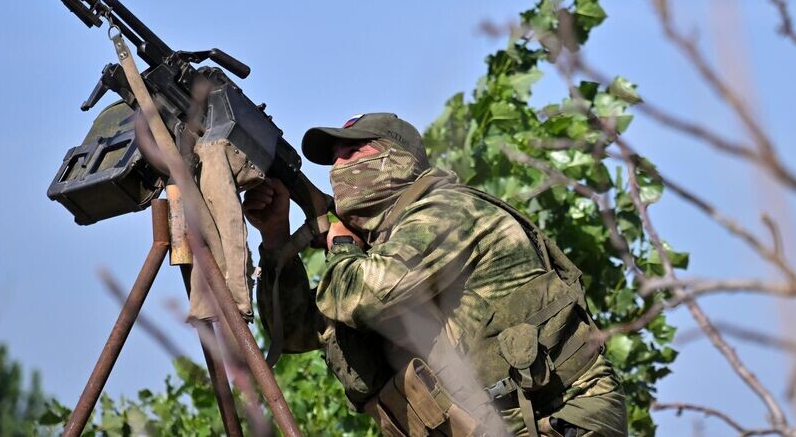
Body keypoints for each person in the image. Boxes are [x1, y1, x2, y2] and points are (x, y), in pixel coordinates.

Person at [243, 112, 628, 437]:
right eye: (334, 159)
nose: (339, 166)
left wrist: (341, 246)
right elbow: (294, 333)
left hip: (561, 419)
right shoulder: (384, 245)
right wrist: (276, 238)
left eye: (353, 151)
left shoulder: (446, 211)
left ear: (398, 159)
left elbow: (364, 296)